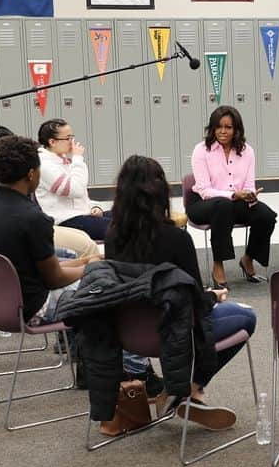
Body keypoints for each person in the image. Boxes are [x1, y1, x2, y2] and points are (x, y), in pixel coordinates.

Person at [106, 155, 257, 430]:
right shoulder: (177, 238)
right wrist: (213, 295)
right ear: (161, 193)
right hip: (175, 332)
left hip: (131, 335)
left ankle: (180, 392)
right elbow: (195, 303)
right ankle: (189, 389)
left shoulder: (112, 237)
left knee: (185, 312)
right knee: (246, 316)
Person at [0, 136, 91, 322]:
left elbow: (29, 266)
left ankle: (76, 344)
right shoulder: (33, 218)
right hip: (30, 307)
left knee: (80, 264)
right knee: (102, 288)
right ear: (31, 174)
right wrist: (90, 269)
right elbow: (54, 279)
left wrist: (84, 263)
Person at [186, 106, 277, 287]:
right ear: (212, 128)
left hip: (236, 202)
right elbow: (204, 190)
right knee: (222, 205)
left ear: (236, 129)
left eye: (228, 127)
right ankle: (218, 265)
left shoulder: (247, 151)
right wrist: (233, 194)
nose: (222, 131)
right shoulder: (201, 150)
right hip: (203, 204)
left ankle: (248, 258)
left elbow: (249, 185)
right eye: (218, 127)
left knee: (266, 216)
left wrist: (251, 196)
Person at [35, 118, 111, 241]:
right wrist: (77, 158)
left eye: (72, 137)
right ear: (52, 142)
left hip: (82, 215)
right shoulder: (44, 164)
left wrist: (94, 207)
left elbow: (81, 197)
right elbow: (75, 190)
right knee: (119, 229)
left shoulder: (63, 160)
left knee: (125, 216)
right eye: (67, 138)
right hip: (66, 221)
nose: (72, 142)